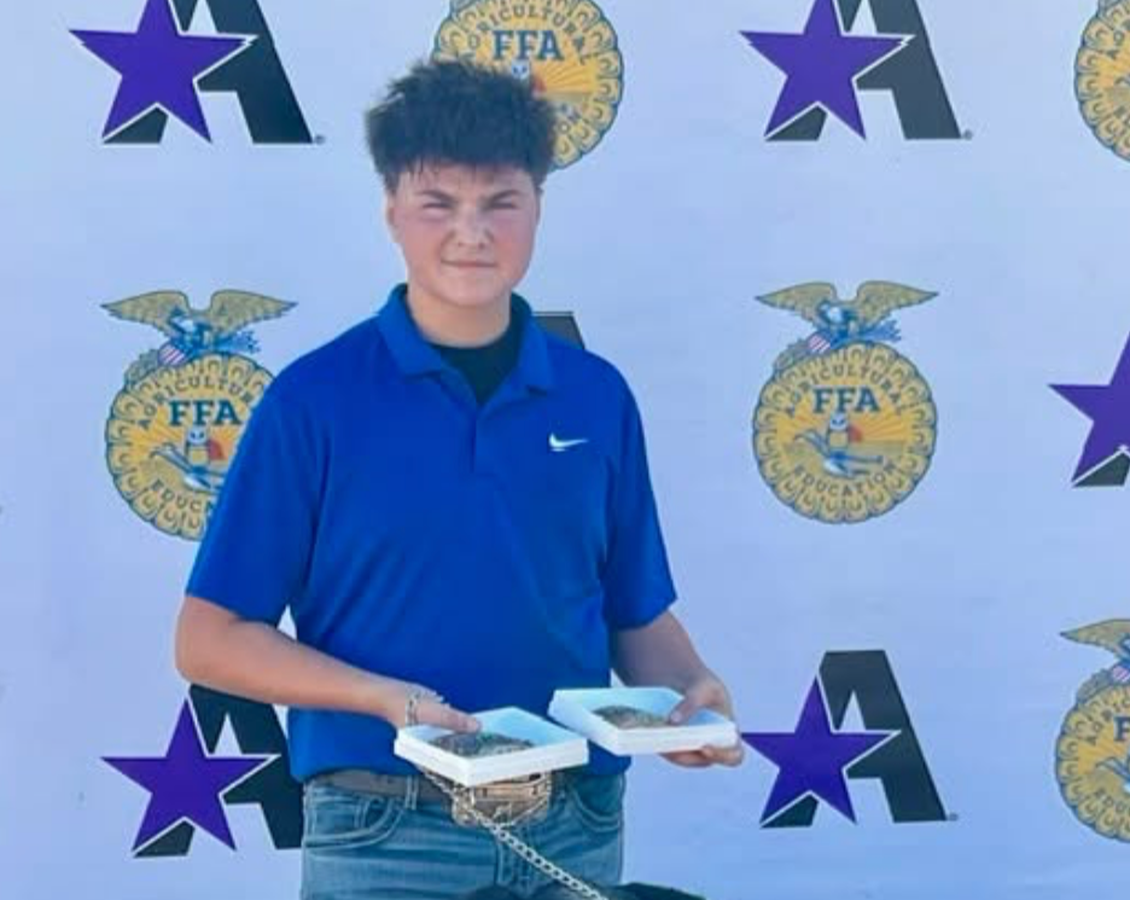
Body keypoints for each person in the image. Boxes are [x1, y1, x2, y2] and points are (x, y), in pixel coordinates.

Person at [175, 59, 742, 900]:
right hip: (386, 832)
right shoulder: (314, 400)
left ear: (538, 207)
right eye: (438, 203)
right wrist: (383, 699)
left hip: (576, 824)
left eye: (500, 202)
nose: (471, 233)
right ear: (391, 211)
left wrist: (689, 692)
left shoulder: (597, 396)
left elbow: (633, 613)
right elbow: (209, 637)